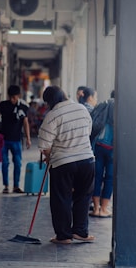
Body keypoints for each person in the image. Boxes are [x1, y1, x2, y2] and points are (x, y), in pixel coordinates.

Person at [38, 85, 95, 244]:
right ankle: (81, 232)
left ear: (49, 101)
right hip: (87, 160)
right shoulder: (82, 109)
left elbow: (44, 144)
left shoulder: (53, 115)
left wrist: (49, 156)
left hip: (63, 163)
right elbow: (87, 132)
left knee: (61, 198)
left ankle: (63, 236)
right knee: (83, 196)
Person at [0, 85, 31, 194]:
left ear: (19, 96)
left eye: (14, 97)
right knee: (4, 163)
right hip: (3, 139)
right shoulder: (3, 105)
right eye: (10, 97)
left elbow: (25, 123)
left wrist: (28, 139)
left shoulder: (23, 106)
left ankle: (16, 186)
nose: (12, 99)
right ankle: (6, 186)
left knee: (18, 163)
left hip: (16, 140)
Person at [89, 91, 114, 218]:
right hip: (113, 148)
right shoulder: (121, 107)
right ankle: (104, 209)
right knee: (109, 178)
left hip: (99, 145)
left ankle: (96, 209)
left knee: (97, 176)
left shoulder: (103, 105)